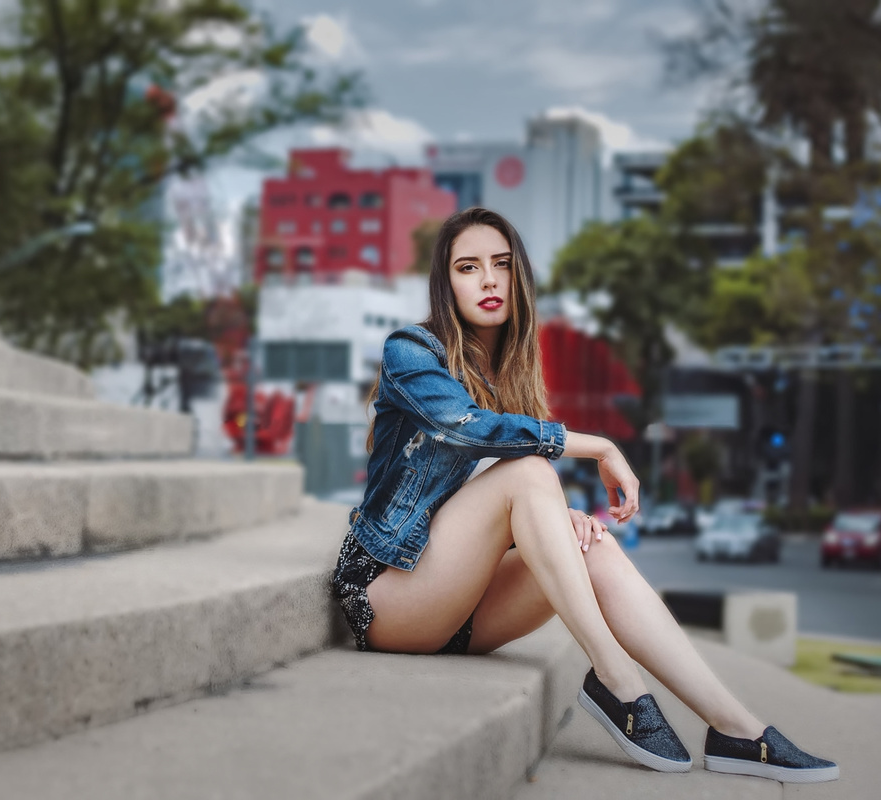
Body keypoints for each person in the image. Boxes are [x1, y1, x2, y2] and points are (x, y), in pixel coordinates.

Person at [331, 207, 838, 783]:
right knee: (530, 473)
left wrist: (551, 516)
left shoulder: (508, 371)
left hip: (459, 606)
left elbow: (471, 491)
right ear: (445, 284)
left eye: (501, 265)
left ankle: (737, 729)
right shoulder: (410, 351)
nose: (489, 280)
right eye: (468, 268)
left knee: (591, 543)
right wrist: (596, 446)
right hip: (386, 594)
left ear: (518, 276)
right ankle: (617, 679)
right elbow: (464, 429)